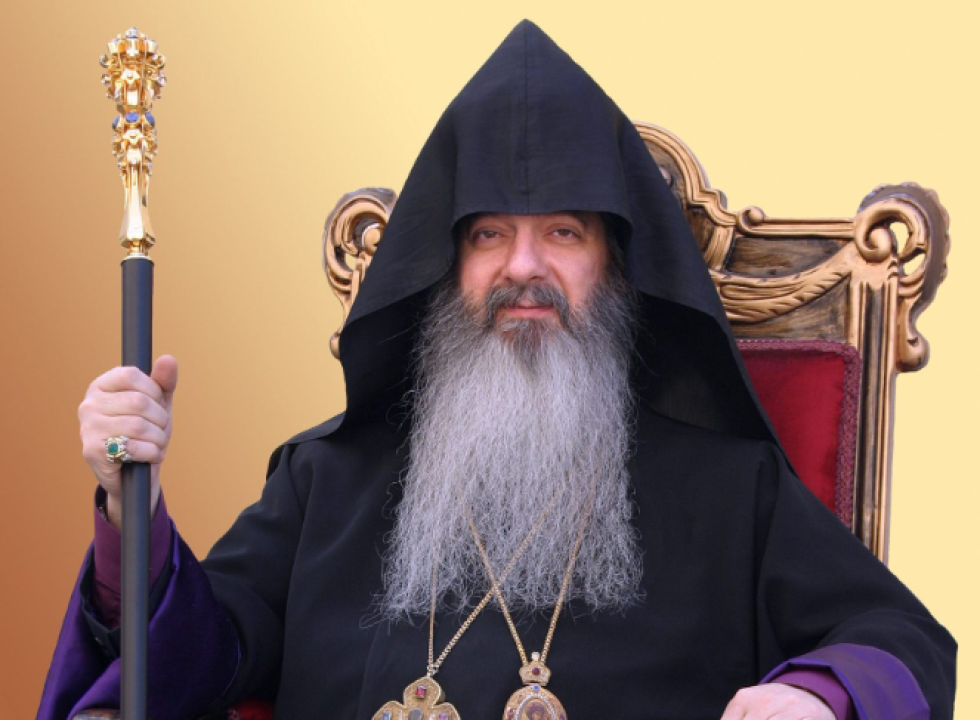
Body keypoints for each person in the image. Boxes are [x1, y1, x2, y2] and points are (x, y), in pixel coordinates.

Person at [38, 20, 955, 720]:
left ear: (615, 265)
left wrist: (815, 695)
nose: (523, 267)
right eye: (487, 235)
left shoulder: (726, 487)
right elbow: (194, 660)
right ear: (445, 266)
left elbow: (899, 640)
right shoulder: (327, 480)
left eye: (563, 232)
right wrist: (130, 507)